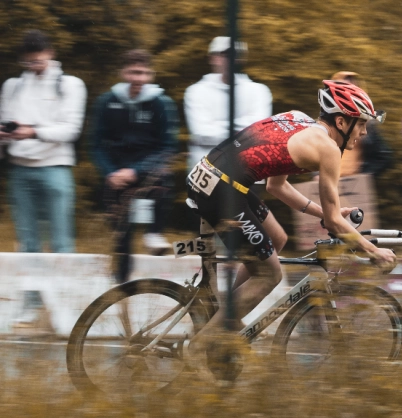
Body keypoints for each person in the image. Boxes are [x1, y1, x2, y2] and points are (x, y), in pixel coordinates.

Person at [185, 80, 396, 367]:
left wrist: (322, 213)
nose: (365, 132)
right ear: (342, 121)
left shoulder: (297, 118)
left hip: (213, 179)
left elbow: (276, 187)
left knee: (278, 238)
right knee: (270, 275)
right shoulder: (329, 150)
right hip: (222, 190)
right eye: (361, 124)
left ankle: (226, 315)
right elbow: (335, 223)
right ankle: (199, 350)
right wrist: (374, 250)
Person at [90, 49, 179, 277]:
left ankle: (154, 233)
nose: (137, 78)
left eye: (142, 73)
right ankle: (121, 286)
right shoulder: (107, 101)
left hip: (148, 171)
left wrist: (136, 171)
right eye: (132, 72)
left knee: (164, 178)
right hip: (116, 175)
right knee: (122, 239)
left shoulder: (161, 103)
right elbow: (96, 144)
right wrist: (110, 173)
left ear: (150, 74)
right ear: (123, 72)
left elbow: (168, 146)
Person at [0, 30, 87, 253]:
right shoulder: (13, 86)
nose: (33, 64)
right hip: (19, 169)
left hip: (55, 168)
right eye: (28, 61)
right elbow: (6, 124)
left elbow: (70, 130)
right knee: (27, 240)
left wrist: (33, 132)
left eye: (38, 59)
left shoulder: (70, 84)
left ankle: (64, 288)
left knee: (61, 239)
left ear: (50, 52)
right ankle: (31, 289)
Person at [184, 36, 273, 172]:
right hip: (206, 172)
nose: (229, 60)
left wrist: (216, 125)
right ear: (212, 58)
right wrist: (242, 130)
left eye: (234, 55)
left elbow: (258, 133)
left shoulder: (259, 91)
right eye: (223, 55)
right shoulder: (196, 92)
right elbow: (201, 132)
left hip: (246, 171)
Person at [330, 71, 393, 178]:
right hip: (330, 184)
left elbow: (384, 156)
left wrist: (365, 175)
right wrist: (317, 173)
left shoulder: (368, 123)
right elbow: (314, 155)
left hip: (357, 187)